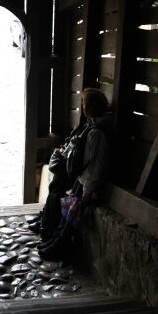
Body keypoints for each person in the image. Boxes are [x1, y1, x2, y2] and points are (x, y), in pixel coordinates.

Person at [29, 88, 113, 261]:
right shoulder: (94, 127)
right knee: (67, 203)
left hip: (89, 183)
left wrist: (87, 191)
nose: (82, 107)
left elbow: (95, 166)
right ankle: (54, 237)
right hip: (84, 179)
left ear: (89, 108)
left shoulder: (96, 133)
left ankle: (59, 243)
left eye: (83, 104)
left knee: (72, 209)